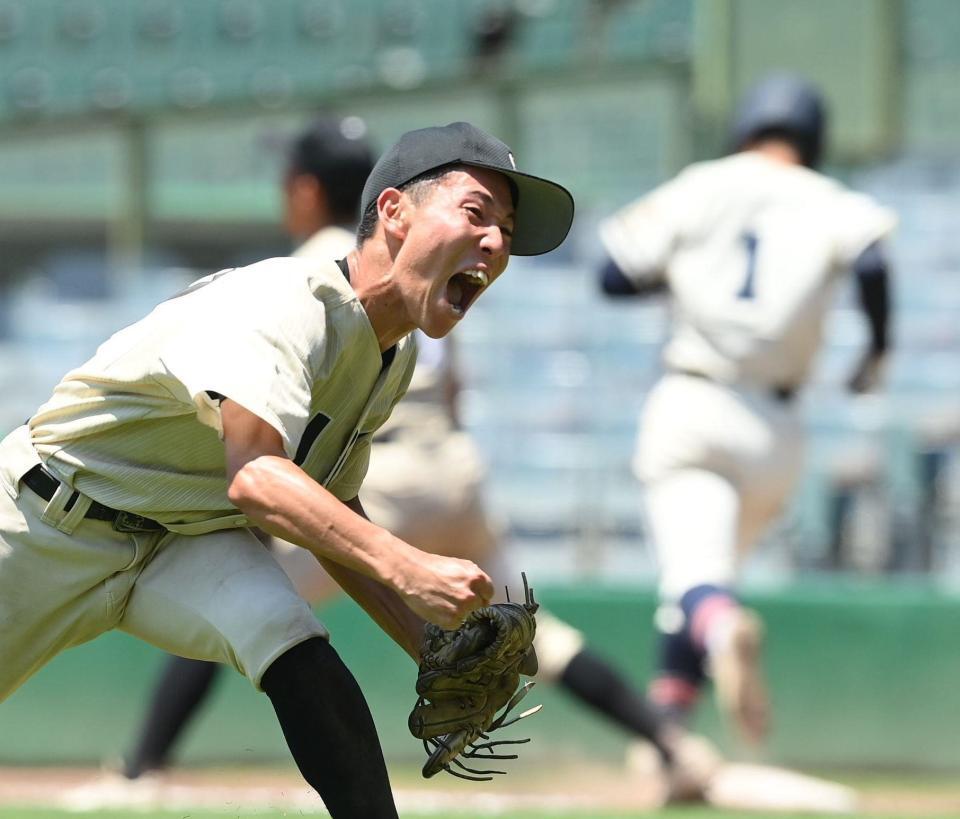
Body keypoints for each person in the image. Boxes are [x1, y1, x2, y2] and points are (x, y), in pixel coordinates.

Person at [103, 115, 718, 806]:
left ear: (306, 191)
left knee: (240, 592)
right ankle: (670, 742)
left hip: (373, 468)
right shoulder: (442, 265)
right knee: (526, 632)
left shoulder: (338, 266)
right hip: (451, 466)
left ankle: (143, 765)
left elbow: (277, 447)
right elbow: (453, 387)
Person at [0, 120, 575, 819]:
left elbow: (331, 502)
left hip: (179, 538)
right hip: (42, 521)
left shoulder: (391, 354)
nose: (496, 243)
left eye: (506, 232)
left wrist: (422, 640)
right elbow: (256, 477)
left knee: (293, 643)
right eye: (477, 213)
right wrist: (407, 565)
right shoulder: (287, 303)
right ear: (394, 210)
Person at [597, 74, 896, 746]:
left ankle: (723, 630)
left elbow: (612, 274)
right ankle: (671, 743)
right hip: (777, 427)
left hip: (695, 401)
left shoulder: (704, 183)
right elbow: (874, 265)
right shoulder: (828, 197)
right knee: (696, 582)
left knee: (697, 587)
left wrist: (687, 280)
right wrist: (876, 351)